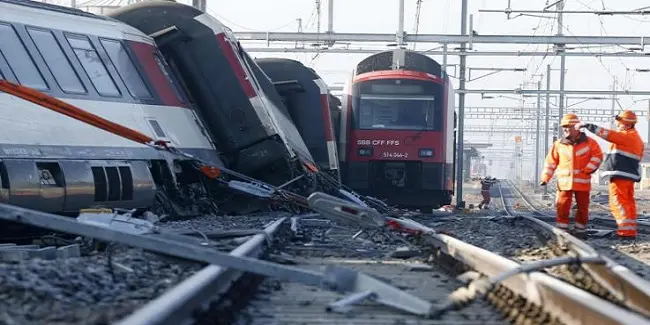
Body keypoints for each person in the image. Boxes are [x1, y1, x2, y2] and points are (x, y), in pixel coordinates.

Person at [576, 110, 644, 239]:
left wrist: (589, 126)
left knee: (617, 202)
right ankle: (629, 231)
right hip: (627, 176)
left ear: (626, 124)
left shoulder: (627, 136)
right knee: (628, 204)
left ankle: (625, 233)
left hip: (621, 175)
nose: (618, 125)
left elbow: (608, 134)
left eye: (620, 122)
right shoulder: (635, 138)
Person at [540, 113, 603, 236]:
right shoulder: (558, 145)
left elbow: (597, 156)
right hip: (564, 183)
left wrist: (588, 169)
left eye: (569, 127)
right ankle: (562, 232)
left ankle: (580, 231)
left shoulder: (590, 143)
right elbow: (550, 163)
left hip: (582, 182)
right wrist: (545, 178)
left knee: (582, 209)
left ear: (577, 127)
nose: (566, 129)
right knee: (562, 207)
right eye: (564, 127)